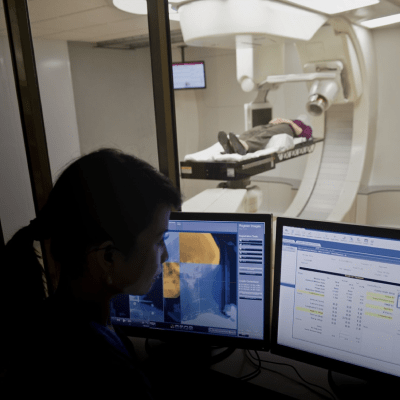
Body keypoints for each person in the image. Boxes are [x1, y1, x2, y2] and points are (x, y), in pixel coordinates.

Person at [1, 148, 182, 398]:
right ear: (108, 258)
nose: (166, 256)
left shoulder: (49, 320)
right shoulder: (109, 377)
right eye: (159, 241)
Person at [217, 116, 313, 155]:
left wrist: (289, 122)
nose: (300, 117)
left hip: (288, 129)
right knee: (253, 131)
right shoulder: (291, 119)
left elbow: (302, 133)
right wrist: (275, 121)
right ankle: (231, 145)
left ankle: (245, 147)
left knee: (266, 134)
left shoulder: (306, 127)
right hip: (275, 125)